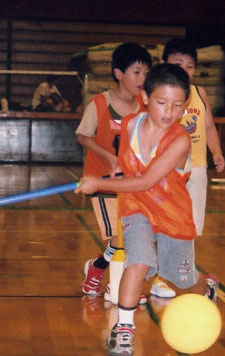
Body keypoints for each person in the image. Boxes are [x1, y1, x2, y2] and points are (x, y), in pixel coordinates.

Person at [75, 63, 219, 356]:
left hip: (172, 214)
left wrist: (99, 183)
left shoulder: (180, 141)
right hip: (137, 208)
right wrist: (115, 170)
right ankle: (124, 329)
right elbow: (128, 164)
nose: (169, 111)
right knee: (137, 262)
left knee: (183, 279)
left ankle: (208, 286)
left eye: (178, 106)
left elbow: (148, 180)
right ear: (145, 98)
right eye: (162, 102)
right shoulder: (129, 124)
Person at [148, 38, 225, 299]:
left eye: (190, 66)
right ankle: (159, 276)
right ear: (163, 64)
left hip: (197, 166)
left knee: (189, 226)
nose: (185, 70)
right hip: (167, 169)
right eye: (178, 64)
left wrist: (215, 151)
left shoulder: (199, 93)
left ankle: (186, 275)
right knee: (162, 223)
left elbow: (210, 126)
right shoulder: (157, 97)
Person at [77, 43, 152, 296]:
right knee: (121, 237)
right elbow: (83, 136)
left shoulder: (146, 106)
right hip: (104, 184)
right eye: (137, 72)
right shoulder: (99, 104)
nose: (143, 79)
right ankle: (119, 287)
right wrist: (109, 157)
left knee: (129, 236)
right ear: (119, 74)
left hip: (133, 185)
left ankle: (97, 268)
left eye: (145, 73)